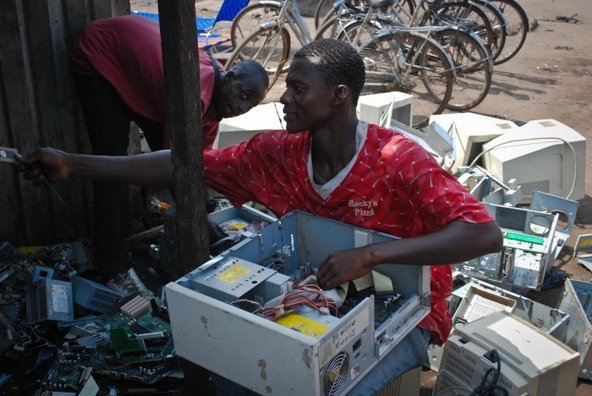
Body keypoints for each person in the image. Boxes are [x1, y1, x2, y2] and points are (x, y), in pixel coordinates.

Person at [20, 39, 502, 394]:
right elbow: (184, 163)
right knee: (234, 374)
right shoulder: (279, 154)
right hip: (315, 302)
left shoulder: (397, 158)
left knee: (327, 386)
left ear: (338, 95)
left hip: (407, 313)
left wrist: (371, 255)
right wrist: (75, 164)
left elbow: (483, 233)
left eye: (297, 89)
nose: (284, 100)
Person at [70, 15, 269, 279]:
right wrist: (201, 218)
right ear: (230, 76)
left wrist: (207, 209)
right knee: (112, 167)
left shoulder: (214, 106)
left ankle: (134, 224)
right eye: (243, 95)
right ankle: (112, 265)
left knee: (165, 163)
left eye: (250, 105)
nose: (242, 107)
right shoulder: (193, 97)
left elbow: (199, 167)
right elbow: (178, 168)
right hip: (100, 54)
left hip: (141, 70)